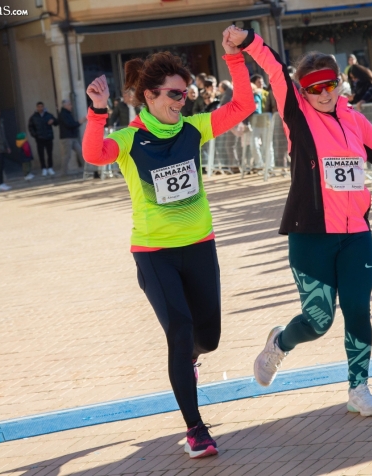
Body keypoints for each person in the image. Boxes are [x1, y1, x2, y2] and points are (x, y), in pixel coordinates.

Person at [225, 26, 372, 418]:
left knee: (358, 309)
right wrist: (248, 41)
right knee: (318, 320)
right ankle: (280, 343)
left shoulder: (353, 118)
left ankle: (358, 388)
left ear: (340, 83)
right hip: (311, 236)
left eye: (330, 85)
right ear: (303, 92)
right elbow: (275, 69)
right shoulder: (298, 117)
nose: (324, 93)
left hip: (356, 233)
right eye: (315, 88)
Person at [82, 27, 254, 459]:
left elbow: (244, 105)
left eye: (187, 94)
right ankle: (195, 428)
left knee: (207, 337)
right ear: (152, 97)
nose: (184, 101)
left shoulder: (194, 129)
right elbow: (93, 153)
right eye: (176, 95)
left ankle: (190, 359)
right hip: (154, 253)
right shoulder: (128, 139)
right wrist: (97, 111)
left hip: (199, 245)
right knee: (179, 331)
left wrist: (234, 57)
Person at [28, 101, 58, 176]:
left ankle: (50, 167)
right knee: (41, 154)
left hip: (48, 137)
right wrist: (35, 135)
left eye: (42, 106)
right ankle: (43, 168)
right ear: (37, 108)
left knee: (49, 153)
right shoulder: (34, 117)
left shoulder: (48, 115)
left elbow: (56, 122)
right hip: (39, 138)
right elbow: (30, 127)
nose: (41, 108)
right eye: (39, 107)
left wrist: (53, 121)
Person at [58, 99, 86, 176]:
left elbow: (71, 124)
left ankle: (86, 169)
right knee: (67, 155)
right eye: (70, 104)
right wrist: (79, 122)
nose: (71, 106)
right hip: (66, 138)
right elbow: (69, 125)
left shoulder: (68, 113)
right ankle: (63, 172)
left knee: (80, 152)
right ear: (65, 105)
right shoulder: (63, 114)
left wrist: (78, 123)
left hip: (72, 137)